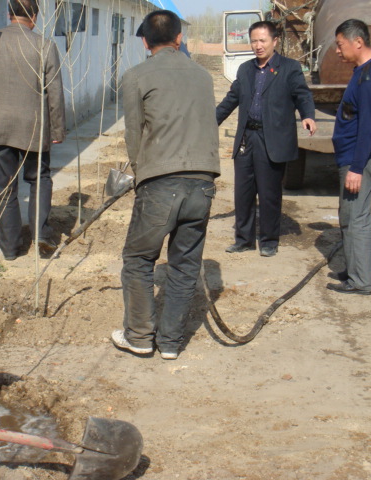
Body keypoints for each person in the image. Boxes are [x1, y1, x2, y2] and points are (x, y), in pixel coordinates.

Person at [110, 10, 220, 360]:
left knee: (139, 258)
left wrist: (141, 174)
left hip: (160, 182)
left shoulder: (135, 76)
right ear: (179, 38)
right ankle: (171, 343)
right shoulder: (203, 76)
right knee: (185, 265)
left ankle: (140, 337)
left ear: (145, 41)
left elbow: (134, 134)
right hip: (203, 182)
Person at [0, 0, 66, 260]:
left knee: (4, 187)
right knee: (39, 179)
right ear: (35, 16)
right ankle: (41, 235)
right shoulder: (45, 46)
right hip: (33, 125)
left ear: (8, 13)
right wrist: (57, 129)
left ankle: (10, 248)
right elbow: (55, 91)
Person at [216, 21, 316, 257]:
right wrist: (210, 123)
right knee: (243, 192)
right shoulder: (245, 69)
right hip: (246, 138)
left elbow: (302, 95)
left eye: (262, 40)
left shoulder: (289, 68)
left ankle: (269, 240)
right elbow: (231, 100)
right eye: (254, 41)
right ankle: (243, 240)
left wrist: (308, 115)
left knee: (269, 193)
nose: (258, 46)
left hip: (271, 138)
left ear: (274, 41)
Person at [327, 19, 371, 295]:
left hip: (361, 159)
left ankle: (361, 281)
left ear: (358, 42)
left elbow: (368, 128)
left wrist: (356, 167)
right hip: (353, 156)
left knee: (357, 219)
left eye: (340, 45)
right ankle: (354, 269)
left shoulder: (370, 76)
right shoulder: (362, 71)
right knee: (349, 215)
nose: (337, 50)